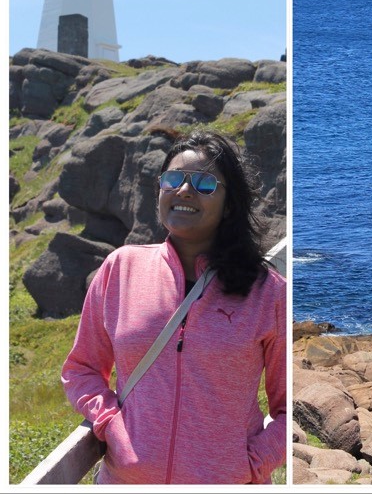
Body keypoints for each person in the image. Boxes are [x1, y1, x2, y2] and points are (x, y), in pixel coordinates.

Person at [61, 130, 286, 484]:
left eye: (204, 183)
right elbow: (81, 369)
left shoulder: (267, 293)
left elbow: (290, 407)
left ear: (229, 205)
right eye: (173, 179)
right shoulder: (121, 269)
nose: (184, 190)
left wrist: (251, 464)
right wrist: (109, 424)